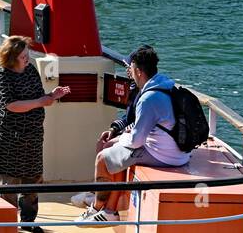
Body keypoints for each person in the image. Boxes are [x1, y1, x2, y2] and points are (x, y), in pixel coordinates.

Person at [76, 44, 190, 223]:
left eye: (130, 68)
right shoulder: (165, 85)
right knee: (117, 152)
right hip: (179, 152)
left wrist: (123, 136)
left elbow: (137, 141)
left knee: (102, 158)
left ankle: (96, 208)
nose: (129, 71)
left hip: (164, 155)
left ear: (137, 71)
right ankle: (110, 210)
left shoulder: (148, 98)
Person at [0, 35, 70, 233]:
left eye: (27, 54)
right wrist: (41, 102)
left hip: (32, 136)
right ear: (11, 57)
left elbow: (38, 97)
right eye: (24, 56)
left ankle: (28, 221)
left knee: (33, 180)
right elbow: (11, 106)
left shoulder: (31, 70)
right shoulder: (2, 75)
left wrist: (51, 96)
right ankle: (7, 224)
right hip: (9, 137)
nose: (27, 58)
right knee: (10, 183)